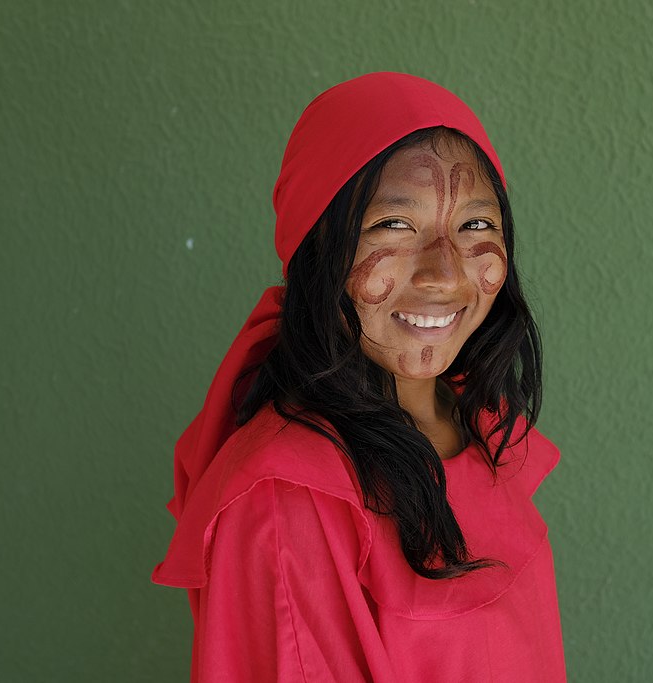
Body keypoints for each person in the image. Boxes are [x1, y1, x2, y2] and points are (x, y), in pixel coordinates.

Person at [153, 72, 567, 682]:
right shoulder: (288, 499)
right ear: (317, 250)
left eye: (475, 225)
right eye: (394, 225)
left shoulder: (477, 419)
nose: (444, 274)